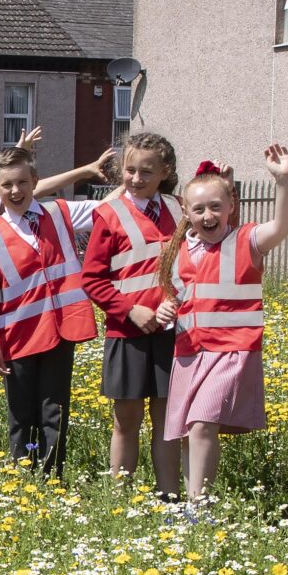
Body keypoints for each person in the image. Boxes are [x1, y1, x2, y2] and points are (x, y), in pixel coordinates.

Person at [159, 147, 288, 501]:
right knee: (191, 431)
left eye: (216, 207)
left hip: (231, 351)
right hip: (189, 353)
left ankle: (197, 507)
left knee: (204, 423)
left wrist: (282, 180)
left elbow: (283, 225)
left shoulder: (246, 240)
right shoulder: (178, 250)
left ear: (231, 207)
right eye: (199, 209)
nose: (208, 215)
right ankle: (195, 501)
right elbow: (176, 297)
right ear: (185, 212)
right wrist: (165, 309)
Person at [0, 140, 112, 475]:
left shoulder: (59, 212)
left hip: (60, 330)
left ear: (35, 181)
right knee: (21, 412)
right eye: (6, 184)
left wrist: (134, 179)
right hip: (18, 337)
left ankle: (51, 475)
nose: (15, 190)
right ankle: (22, 475)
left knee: (55, 409)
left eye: (22, 182)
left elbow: (110, 207)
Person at [81, 131, 184, 496]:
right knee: (126, 420)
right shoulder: (108, 215)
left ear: (164, 172)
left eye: (146, 171)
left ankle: (168, 494)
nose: (136, 179)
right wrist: (129, 311)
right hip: (127, 333)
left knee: (167, 419)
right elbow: (92, 279)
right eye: (130, 171)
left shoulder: (180, 209)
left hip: (173, 332)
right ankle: (120, 498)